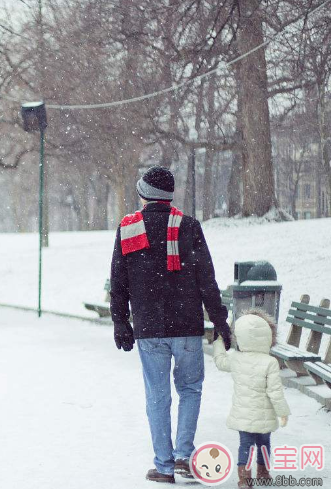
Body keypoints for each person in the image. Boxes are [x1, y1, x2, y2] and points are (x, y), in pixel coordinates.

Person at [110, 165, 231, 483]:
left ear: (144, 195)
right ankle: (183, 458)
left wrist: (121, 322)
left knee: (157, 395)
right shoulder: (188, 226)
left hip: (150, 328)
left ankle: (164, 465)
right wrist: (219, 320)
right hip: (188, 325)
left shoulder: (129, 228)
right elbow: (206, 277)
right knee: (190, 390)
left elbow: (119, 281)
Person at [212, 310, 290, 489]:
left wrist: (218, 343)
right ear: (268, 337)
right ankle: (263, 473)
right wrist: (283, 412)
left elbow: (220, 362)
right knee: (264, 444)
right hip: (265, 414)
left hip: (243, 413)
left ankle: (245, 478)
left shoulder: (237, 359)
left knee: (245, 445)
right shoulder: (270, 362)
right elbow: (275, 392)